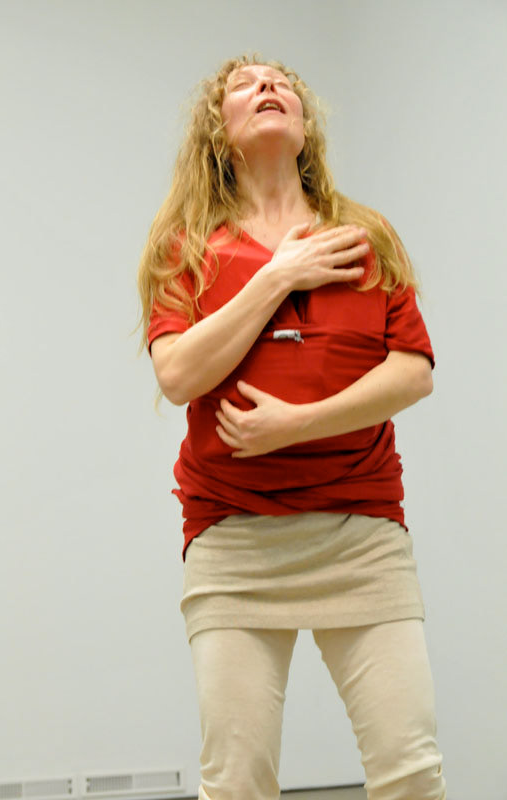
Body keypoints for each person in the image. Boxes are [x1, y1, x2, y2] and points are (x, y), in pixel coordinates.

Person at [137, 55, 448, 800]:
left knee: (412, 773)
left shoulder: (366, 236)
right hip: (234, 541)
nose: (269, 87)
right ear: (220, 131)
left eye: (283, 83)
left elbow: (413, 372)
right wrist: (279, 273)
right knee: (237, 782)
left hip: (361, 535)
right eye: (245, 84)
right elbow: (177, 375)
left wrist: (295, 425)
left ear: (306, 128)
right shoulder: (185, 247)